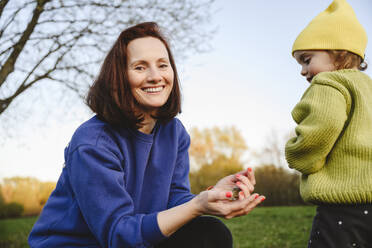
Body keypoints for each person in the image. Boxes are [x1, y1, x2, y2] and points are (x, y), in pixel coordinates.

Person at [28, 22, 265, 248]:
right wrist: (196, 206)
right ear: (119, 76)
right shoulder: (94, 141)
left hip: (135, 239)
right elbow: (118, 236)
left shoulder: (174, 132)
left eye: (163, 65)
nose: (155, 76)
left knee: (209, 234)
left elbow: (174, 199)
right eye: (140, 67)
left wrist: (210, 196)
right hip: (81, 243)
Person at [285, 0, 372, 247]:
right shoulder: (368, 88)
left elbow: (320, 132)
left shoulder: (328, 85)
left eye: (306, 59)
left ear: (338, 53)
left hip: (342, 209)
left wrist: (298, 155)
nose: (303, 70)